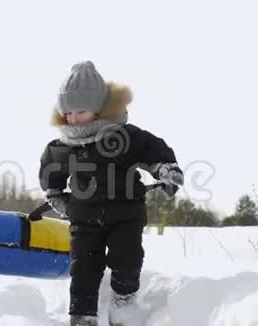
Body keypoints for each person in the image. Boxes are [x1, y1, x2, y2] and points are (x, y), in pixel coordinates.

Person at [38, 61, 183, 326]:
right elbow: (51, 176)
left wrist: (165, 170)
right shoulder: (62, 146)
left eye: (79, 111)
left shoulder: (124, 136)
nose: (71, 118)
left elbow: (152, 150)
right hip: (83, 220)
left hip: (125, 215)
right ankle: (82, 316)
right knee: (83, 268)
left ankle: (123, 304)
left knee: (127, 259)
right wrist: (59, 199)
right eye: (67, 112)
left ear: (97, 109)